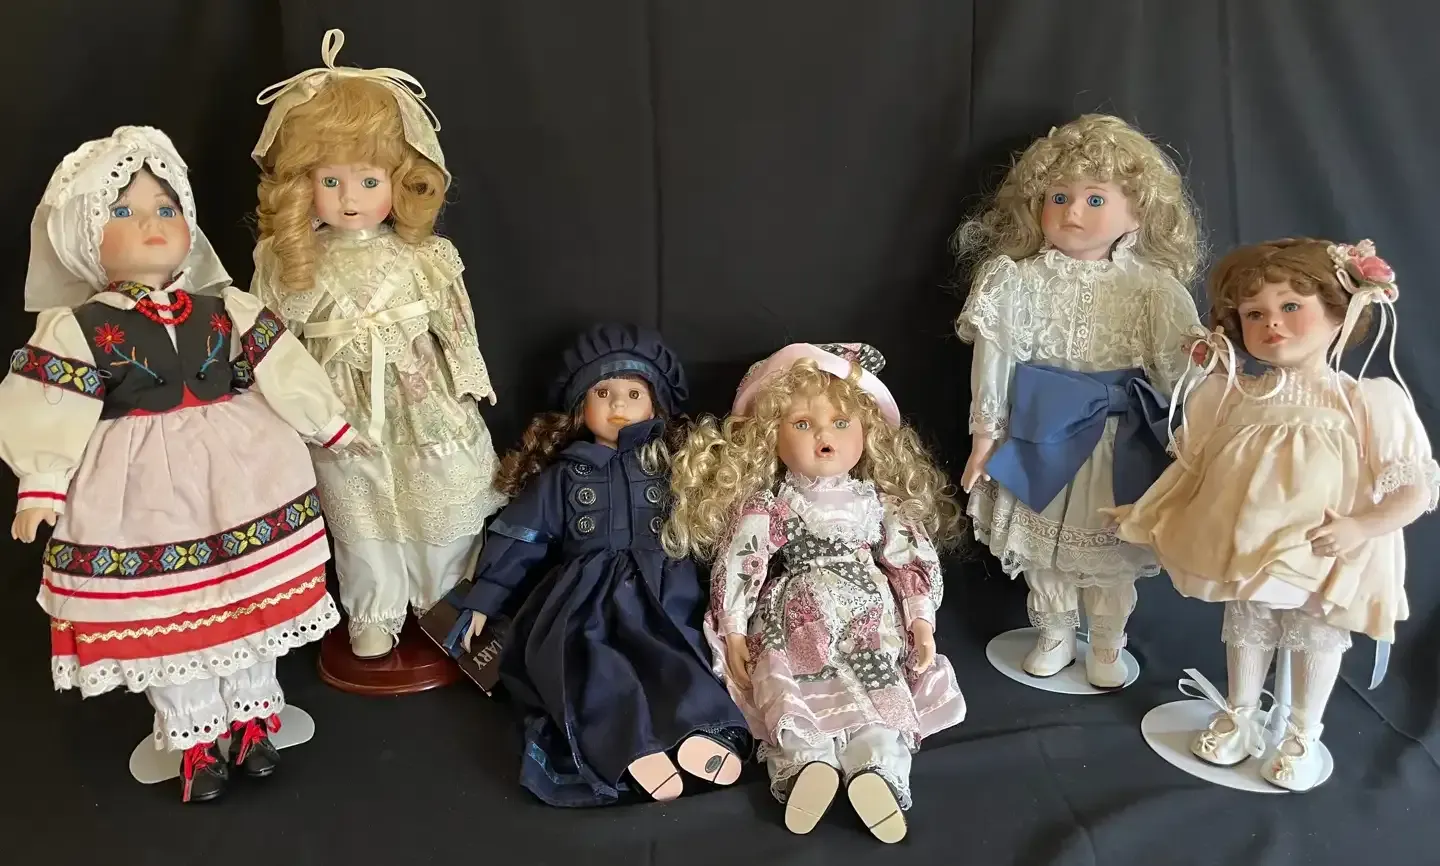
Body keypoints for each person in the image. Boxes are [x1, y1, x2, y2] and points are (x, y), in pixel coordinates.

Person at [1, 126, 361, 803]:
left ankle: (253, 719)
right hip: (141, 495)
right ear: (85, 238)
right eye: (125, 212)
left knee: (250, 604)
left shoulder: (225, 309)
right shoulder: (77, 329)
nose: (153, 224)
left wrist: (327, 424)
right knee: (171, 622)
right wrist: (41, 482)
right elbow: (48, 402)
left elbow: (281, 367)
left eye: (166, 208)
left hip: (242, 477)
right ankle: (195, 736)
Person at [1110, 238, 1435, 791]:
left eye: (1290, 307)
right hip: (1246, 544)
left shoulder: (1364, 401)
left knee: (1314, 631)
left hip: (1321, 546)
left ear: (1339, 311)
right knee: (1248, 623)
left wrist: (1361, 526)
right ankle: (1240, 714)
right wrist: (1145, 512)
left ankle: (1302, 733)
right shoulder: (1233, 396)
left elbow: (1414, 489)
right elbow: (1192, 471)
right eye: (1254, 314)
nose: (1272, 323)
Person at [663, 342, 967, 843]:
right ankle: (807, 764)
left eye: (841, 423)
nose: (824, 436)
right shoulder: (774, 504)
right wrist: (734, 627)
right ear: (770, 437)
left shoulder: (879, 503)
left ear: (867, 432)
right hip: (795, 618)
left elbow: (908, 558)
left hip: (868, 621)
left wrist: (919, 619)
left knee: (878, 686)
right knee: (792, 686)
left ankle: (877, 770)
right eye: (802, 424)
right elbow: (743, 559)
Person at [445, 323, 751, 807]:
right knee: (592, 662)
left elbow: (718, 527)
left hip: (664, 592)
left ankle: (703, 732)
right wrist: (484, 598)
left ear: (656, 405)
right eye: (603, 393)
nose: (619, 405)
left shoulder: (674, 465)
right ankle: (630, 747)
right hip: (586, 596)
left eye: (634, 393)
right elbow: (520, 537)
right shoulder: (565, 476)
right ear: (580, 406)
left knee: (679, 654)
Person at [953, 113, 1203, 687]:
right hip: (1040, 431)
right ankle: (1054, 631)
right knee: (1042, 547)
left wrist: (1192, 436)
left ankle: (1108, 641)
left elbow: (1180, 370)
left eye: (1095, 199)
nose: (1072, 211)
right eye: (1059, 196)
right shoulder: (1016, 280)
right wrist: (985, 436)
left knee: (1113, 548)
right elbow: (993, 359)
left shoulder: (1153, 289)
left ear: (1138, 212)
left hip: (1121, 441)